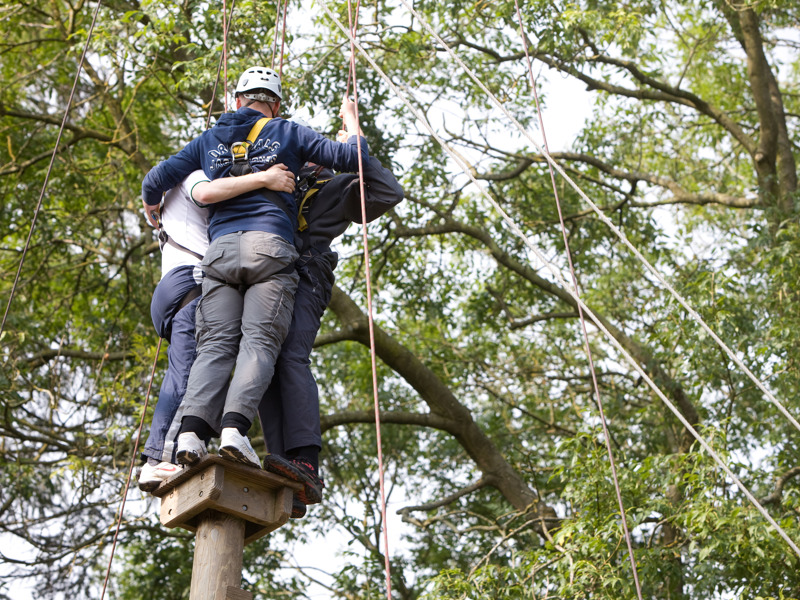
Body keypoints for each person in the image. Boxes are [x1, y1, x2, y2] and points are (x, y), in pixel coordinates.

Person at [141, 66, 370, 470]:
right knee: (260, 342)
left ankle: (191, 435)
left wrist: (152, 210)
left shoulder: (207, 141)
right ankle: (233, 429)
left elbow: (154, 180)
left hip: (221, 255)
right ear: (275, 105)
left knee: (214, 345)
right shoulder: (287, 131)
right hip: (269, 247)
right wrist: (351, 121)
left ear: (236, 101)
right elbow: (354, 158)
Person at [138, 166, 295, 492]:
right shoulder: (195, 175)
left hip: (175, 283)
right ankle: (159, 457)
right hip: (191, 279)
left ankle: (178, 447)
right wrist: (265, 180)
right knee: (196, 366)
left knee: (193, 365)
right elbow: (206, 192)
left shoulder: (169, 193)